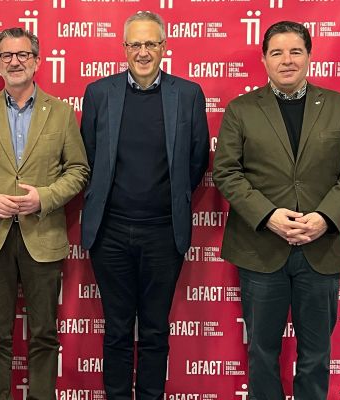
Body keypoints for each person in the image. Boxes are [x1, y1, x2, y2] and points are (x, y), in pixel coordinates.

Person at [212, 21, 340, 400]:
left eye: (295, 51)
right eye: (277, 52)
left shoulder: (339, 107)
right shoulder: (241, 110)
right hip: (261, 249)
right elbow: (226, 172)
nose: (287, 60)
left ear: (309, 56)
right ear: (264, 60)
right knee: (262, 352)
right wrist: (268, 216)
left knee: (316, 354)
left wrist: (324, 218)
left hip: (321, 249)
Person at [79, 11, 210, 400]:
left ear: (164, 47)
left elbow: (197, 156)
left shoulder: (187, 94)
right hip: (111, 232)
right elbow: (89, 154)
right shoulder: (99, 93)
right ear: (123, 49)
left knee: (155, 329)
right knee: (117, 329)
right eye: (135, 44)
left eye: (151, 43)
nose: (143, 52)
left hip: (163, 232)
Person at [0, 27, 89, 400]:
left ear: (37, 61)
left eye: (23, 54)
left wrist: (44, 197)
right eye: (7, 55)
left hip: (43, 236)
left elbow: (78, 169)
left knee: (45, 333)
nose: (15, 61)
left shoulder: (61, 113)